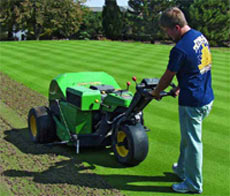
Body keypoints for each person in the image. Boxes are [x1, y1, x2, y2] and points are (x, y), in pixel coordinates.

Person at [151, 7, 214, 194]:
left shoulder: (179, 49)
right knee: (188, 138)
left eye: (167, 31)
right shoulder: (199, 36)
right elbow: (198, 66)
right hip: (206, 97)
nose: (167, 35)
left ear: (176, 27)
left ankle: (193, 184)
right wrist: (181, 85)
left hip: (192, 102)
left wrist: (156, 93)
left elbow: (167, 77)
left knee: (193, 142)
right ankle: (182, 170)